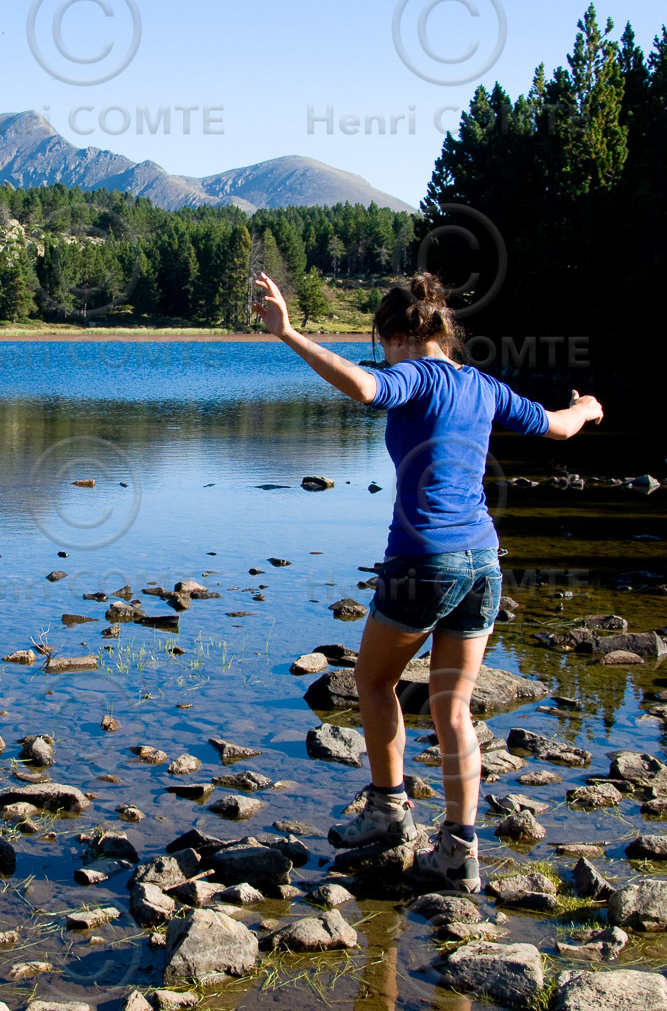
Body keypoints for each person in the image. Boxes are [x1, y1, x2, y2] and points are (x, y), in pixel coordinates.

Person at [251, 271, 603, 892]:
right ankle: (459, 854)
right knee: (453, 707)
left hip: (423, 563)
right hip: (482, 564)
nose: (381, 353)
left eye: (380, 342)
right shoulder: (483, 385)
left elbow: (363, 387)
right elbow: (557, 427)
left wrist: (288, 334)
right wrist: (585, 408)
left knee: (373, 680)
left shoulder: (414, 374)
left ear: (393, 335)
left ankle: (389, 812)